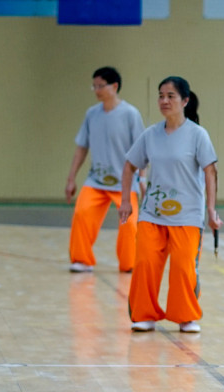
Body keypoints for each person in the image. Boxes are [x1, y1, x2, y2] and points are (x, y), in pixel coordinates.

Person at [118, 76, 221, 333]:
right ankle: (144, 314)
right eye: (161, 95)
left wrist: (211, 210)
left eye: (171, 96)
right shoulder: (150, 134)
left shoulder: (198, 135)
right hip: (152, 213)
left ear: (185, 101)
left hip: (188, 215)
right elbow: (130, 165)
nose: (164, 100)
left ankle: (185, 316)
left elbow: (210, 171)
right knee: (144, 264)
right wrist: (125, 201)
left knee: (183, 268)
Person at [65, 66, 145, 273]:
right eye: (94, 86)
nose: (97, 90)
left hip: (125, 182)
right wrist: (71, 178)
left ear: (115, 86)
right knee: (82, 214)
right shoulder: (92, 114)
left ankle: (129, 264)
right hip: (96, 180)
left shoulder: (130, 114)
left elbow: (141, 149)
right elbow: (82, 147)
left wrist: (142, 179)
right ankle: (81, 260)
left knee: (129, 224)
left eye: (101, 86)